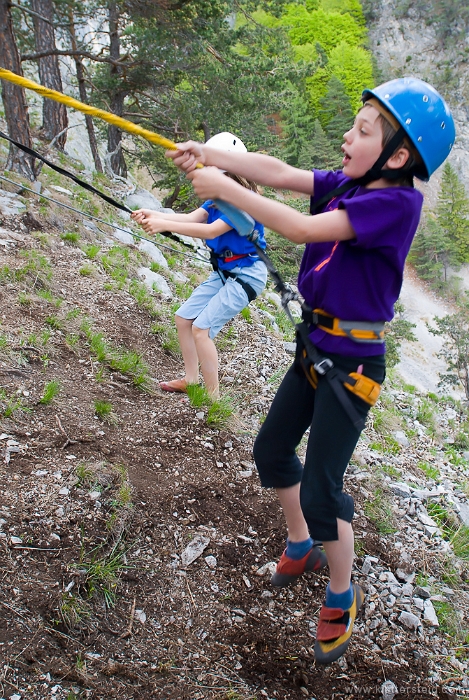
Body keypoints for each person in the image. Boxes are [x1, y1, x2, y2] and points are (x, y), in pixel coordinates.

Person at [166, 78, 455, 663]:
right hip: (316, 344)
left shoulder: (394, 205)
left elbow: (300, 227)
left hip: (351, 366)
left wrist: (227, 189)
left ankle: (342, 592)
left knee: (324, 491)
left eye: (363, 131)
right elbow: (277, 171)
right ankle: (303, 543)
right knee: (271, 451)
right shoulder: (354, 181)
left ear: (397, 157)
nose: (348, 138)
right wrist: (212, 155)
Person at [131, 132, 267, 400]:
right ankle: (191, 380)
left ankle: (213, 398)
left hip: (247, 275)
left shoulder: (242, 201)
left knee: (201, 329)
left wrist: (164, 225)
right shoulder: (216, 197)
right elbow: (192, 217)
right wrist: (153, 214)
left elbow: (211, 232)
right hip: (226, 271)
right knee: (184, 318)